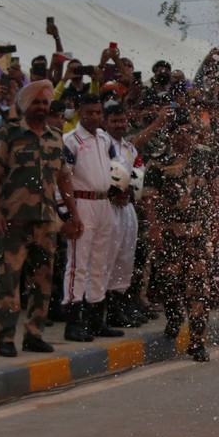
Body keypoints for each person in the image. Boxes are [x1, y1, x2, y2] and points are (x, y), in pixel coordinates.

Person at [0, 80, 83, 357]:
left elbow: (64, 179)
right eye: (36, 102)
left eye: (44, 102)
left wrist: (74, 214)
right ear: (26, 105)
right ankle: (6, 337)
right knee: (9, 281)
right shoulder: (10, 133)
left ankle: (34, 334)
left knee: (42, 281)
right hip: (13, 221)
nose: (41, 107)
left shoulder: (55, 137)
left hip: (46, 221)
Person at [141, 110, 212, 361]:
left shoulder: (204, 156)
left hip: (197, 233)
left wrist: (216, 223)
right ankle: (174, 316)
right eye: (182, 132)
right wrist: (154, 228)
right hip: (169, 232)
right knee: (168, 280)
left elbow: (214, 189)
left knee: (198, 287)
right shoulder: (159, 160)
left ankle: (197, 341)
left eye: (191, 132)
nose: (188, 137)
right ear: (172, 135)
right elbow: (149, 198)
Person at [61, 94, 123, 341]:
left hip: (103, 202)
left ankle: (96, 318)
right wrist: (67, 213)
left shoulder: (104, 138)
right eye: (90, 112)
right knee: (78, 262)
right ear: (79, 113)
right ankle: (73, 320)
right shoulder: (71, 140)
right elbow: (62, 178)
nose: (95, 117)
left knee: (100, 261)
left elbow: (116, 166)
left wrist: (120, 187)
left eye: (98, 112)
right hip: (81, 201)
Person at [102, 103, 146, 327]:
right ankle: (100, 311)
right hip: (107, 206)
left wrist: (131, 191)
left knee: (125, 257)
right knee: (107, 257)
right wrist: (113, 192)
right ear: (105, 122)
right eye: (115, 121)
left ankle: (118, 309)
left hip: (127, 207)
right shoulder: (102, 144)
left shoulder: (129, 148)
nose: (120, 125)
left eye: (122, 121)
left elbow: (138, 171)